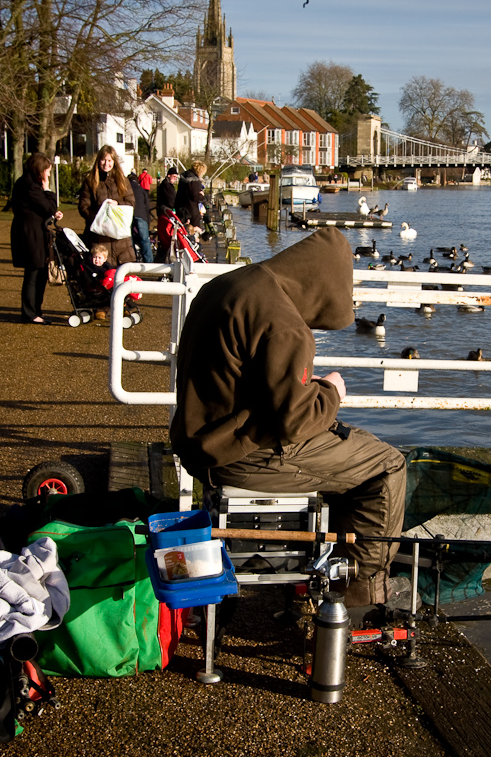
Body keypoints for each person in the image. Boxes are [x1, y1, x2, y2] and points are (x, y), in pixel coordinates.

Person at [169, 228, 407, 625]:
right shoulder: (286, 324)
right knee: (387, 464)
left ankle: (320, 569)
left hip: (198, 442)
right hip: (241, 456)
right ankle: (363, 588)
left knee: (351, 450)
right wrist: (330, 390)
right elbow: (296, 422)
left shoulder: (229, 285)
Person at [10, 152, 63, 324]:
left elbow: (46, 209)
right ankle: (30, 313)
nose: (48, 174)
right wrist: (47, 189)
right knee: (34, 273)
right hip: (30, 234)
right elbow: (48, 206)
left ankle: (34, 311)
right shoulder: (31, 185)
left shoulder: (25, 183)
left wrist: (52, 213)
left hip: (31, 231)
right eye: (47, 171)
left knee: (38, 272)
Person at [77, 145, 136, 265]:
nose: (106, 164)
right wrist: (100, 219)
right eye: (103, 160)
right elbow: (83, 206)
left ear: (114, 162)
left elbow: (131, 202)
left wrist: (118, 205)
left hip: (120, 239)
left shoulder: (123, 181)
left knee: (121, 277)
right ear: (98, 161)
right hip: (98, 238)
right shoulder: (90, 181)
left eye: (109, 160)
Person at [127, 171, 154, 262]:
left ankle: (133, 259)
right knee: (145, 240)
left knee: (129, 239)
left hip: (129, 214)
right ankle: (149, 261)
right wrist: (148, 221)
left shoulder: (126, 189)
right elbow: (147, 206)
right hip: (141, 214)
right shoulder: (141, 189)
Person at [174, 161, 207, 233]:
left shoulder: (184, 178)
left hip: (181, 208)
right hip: (191, 210)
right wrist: (201, 195)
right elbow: (195, 196)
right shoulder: (194, 180)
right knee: (193, 232)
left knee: (182, 230)